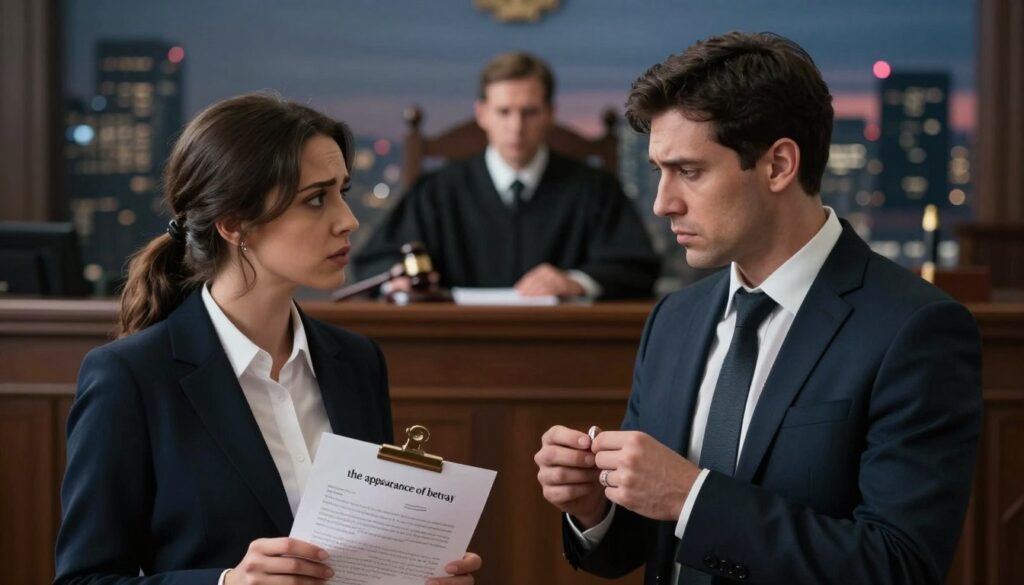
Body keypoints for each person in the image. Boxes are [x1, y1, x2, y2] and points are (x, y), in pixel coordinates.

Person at [535, 32, 982, 584]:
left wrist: (693, 496)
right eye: (658, 171)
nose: (662, 203)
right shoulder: (672, 321)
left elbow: (898, 568)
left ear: (778, 165)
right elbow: (645, 540)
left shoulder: (915, 329)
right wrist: (594, 510)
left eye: (690, 171)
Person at [54, 94, 481, 585]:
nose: (348, 219)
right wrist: (227, 583)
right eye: (317, 198)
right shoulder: (129, 377)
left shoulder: (358, 361)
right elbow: (84, 580)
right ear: (236, 223)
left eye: (342, 191)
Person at [353, 52, 659, 299]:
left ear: (550, 113)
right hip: (453, 349)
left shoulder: (595, 189)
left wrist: (576, 282)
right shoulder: (435, 191)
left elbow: (637, 267)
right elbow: (375, 262)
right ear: (482, 113)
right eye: (504, 112)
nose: (516, 127)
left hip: (566, 352)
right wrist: (398, 282)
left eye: (529, 112)